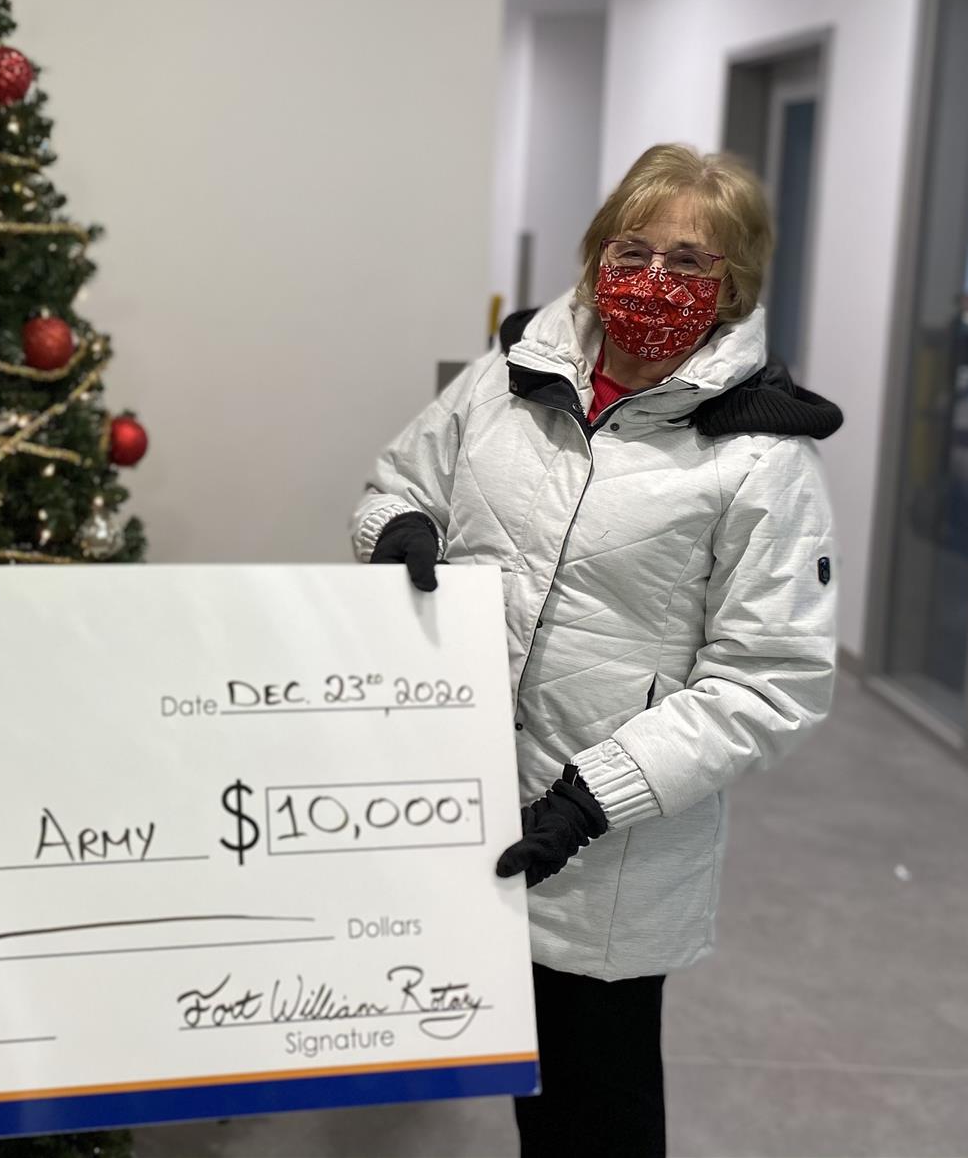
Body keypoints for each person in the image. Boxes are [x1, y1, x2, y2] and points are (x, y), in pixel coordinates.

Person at [351, 143, 840, 1157]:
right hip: (457, 800)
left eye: (689, 260)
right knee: (491, 1063)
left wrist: (590, 800)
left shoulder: (761, 458)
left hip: (607, 852)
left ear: (732, 285)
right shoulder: (506, 379)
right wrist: (399, 532)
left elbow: (770, 681)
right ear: (595, 256)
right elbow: (400, 481)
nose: (653, 278)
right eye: (632, 249)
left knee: (595, 1113)